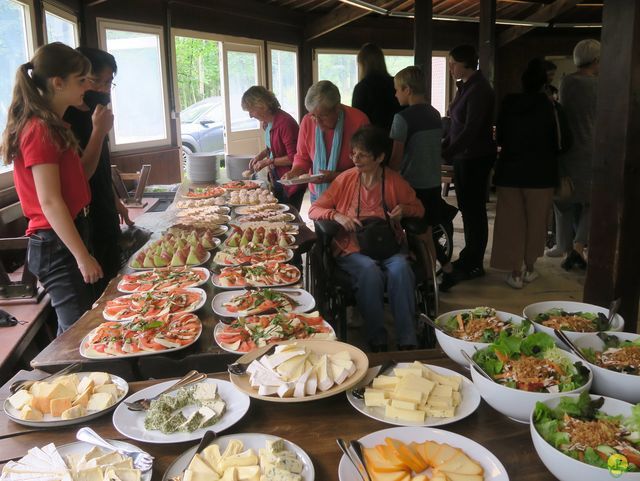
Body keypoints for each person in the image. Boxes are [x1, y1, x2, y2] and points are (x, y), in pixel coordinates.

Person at [1, 42, 113, 334]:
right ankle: (62, 380)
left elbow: (83, 174)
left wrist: (98, 132)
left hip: (69, 234)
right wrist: (81, 255)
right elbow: (49, 201)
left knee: (81, 324)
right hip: (54, 243)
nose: (88, 86)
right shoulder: (39, 129)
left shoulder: (57, 126)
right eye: (81, 80)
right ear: (58, 83)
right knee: (77, 332)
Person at [309, 125, 424, 351]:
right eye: (353, 153)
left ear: (380, 157)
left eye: (362, 154)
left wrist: (403, 210)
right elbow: (314, 210)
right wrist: (337, 215)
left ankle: (407, 339)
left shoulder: (394, 181)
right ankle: (377, 338)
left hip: (388, 246)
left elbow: (419, 209)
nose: (355, 158)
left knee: (401, 269)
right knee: (369, 271)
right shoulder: (346, 180)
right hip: (351, 246)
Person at [491, 59, 570, 288]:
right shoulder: (551, 106)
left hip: (510, 172)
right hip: (541, 174)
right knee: (536, 223)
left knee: (511, 222)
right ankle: (530, 268)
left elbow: (500, 137)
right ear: (544, 84)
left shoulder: (508, 103)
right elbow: (564, 143)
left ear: (522, 83)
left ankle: (515, 273)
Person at [64, 47, 131, 300]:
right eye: (96, 82)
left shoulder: (97, 112)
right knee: (97, 295)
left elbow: (102, 165)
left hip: (104, 210)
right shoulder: (68, 117)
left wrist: (115, 201)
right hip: (84, 220)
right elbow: (80, 175)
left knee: (114, 279)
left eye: (109, 82)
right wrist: (98, 131)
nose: (104, 89)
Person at [389, 66, 456, 283]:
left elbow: (396, 160)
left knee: (415, 232)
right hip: (433, 183)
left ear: (407, 89)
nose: (395, 94)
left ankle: (425, 278)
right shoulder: (435, 113)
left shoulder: (402, 118)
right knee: (428, 230)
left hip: (411, 185)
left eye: (397, 90)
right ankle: (444, 268)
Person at [442, 45, 496, 285]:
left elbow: (471, 129)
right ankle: (469, 257)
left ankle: (474, 261)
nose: (451, 68)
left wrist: (447, 151)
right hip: (465, 156)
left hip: (475, 157)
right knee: (468, 208)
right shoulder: (467, 86)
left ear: (465, 63)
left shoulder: (479, 89)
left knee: (474, 210)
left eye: (453, 63)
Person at [547, 39, 600, 271]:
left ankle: (566, 249)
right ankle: (578, 249)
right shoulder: (600, 85)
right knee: (589, 202)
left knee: (563, 200)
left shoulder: (566, 82)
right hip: (592, 149)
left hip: (566, 150)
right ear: (596, 60)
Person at [282, 81, 369, 202]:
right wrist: (295, 172)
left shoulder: (359, 121)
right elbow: (303, 157)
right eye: (313, 115)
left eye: (323, 116)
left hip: (349, 191)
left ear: (337, 108)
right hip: (317, 192)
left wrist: (336, 176)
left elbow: (367, 166)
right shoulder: (307, 121)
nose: (317, 122)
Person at [241, 86, 305, 211]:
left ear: (261, 105)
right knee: (277, 214)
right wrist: (261, 155)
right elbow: (273, 146)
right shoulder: (267, 122)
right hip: (277, 176)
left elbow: (294, 158)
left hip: (291, 180)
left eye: (251, 111)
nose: (250, 116)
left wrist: (268, 161)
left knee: (289, 217)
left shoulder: (285, 123)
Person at [351, 43, 401, 132]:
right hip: (397, 137)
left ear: (362, 64)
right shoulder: (395, 83)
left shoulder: (362, 88)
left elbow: (356, 119)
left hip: (371, 140)